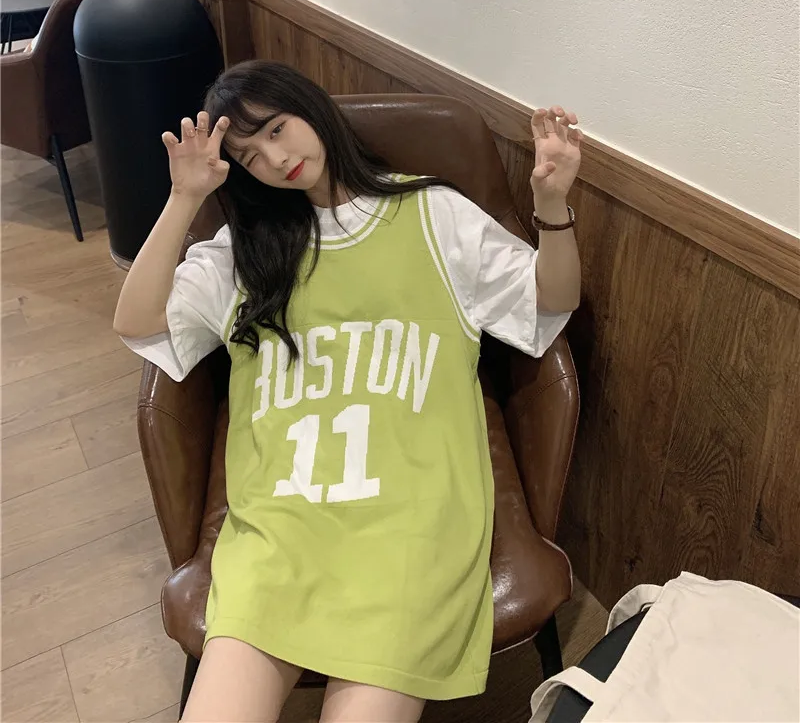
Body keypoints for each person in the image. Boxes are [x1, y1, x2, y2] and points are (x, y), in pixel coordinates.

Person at [114, 60, 582, 723]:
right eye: (249, 155)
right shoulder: (245, 249)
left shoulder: (432, 215)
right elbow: (136, 321)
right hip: (278, 525)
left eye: (277, 129)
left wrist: (553, 207)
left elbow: (551, 299)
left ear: (310, 108)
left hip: (409, 524)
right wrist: (185, 199)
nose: (275, 159)